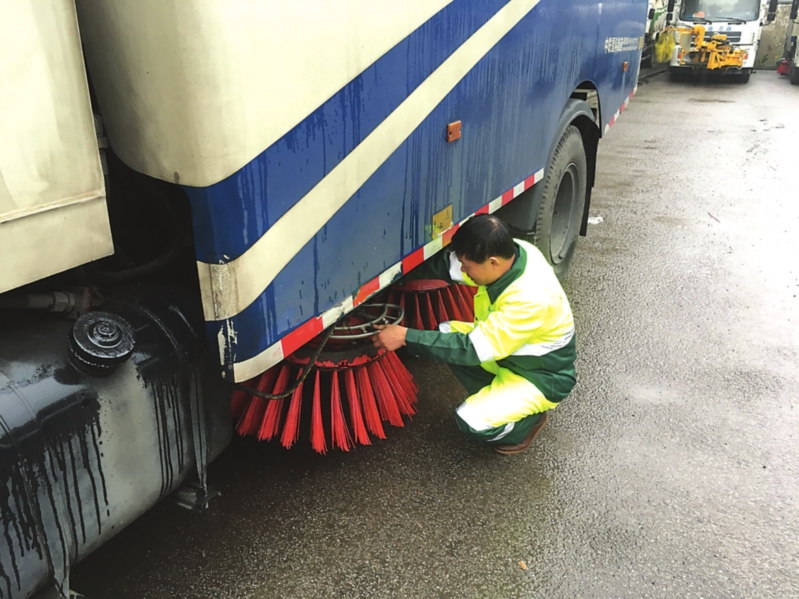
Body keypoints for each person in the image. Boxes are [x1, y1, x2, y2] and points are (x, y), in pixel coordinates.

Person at [372, 214, 576, 455]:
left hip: (539, 376)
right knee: (446, 333)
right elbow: (448, 267)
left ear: (493, 263)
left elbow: (471, 349)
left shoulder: (529, 300)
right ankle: (499, 398)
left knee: (471, 421)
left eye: (467, 266)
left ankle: (527, 422)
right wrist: (389, 277)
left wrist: (405, 336)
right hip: (511, 355)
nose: (463, 270)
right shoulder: (516, 253)